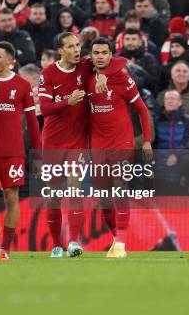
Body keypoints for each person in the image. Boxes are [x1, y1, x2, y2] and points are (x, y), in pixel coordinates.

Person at [38, 32, 125, 258]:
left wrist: (105, 73)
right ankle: (57, 244)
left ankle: (74, 242)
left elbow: (118, 61)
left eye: (78, 46)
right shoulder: (47, 74)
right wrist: (68, 102)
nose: (77, 50)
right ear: (60, 51)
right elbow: (44, 108)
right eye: (71, 47)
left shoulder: (84, 66)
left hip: (77, 141)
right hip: (52, 141)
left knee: (75, 186)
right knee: (54, 195)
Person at [87, 37, 153, 258]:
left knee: (119, 186)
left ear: (110, 55)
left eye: (104, 53)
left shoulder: (123, 79)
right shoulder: (86, 79)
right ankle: (116, 238)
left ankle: (122, 243)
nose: (100, 57)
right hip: (97, 143)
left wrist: (146, 140)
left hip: (122, 142)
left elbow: (143, 110)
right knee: (104, 195)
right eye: (96, 53)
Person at [0, 42, 41, 261]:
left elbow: (33, 123)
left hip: (13, 151)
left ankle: (5, 248)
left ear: (10, 61)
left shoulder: (22, 85)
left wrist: (38, 153)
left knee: (11, 198)